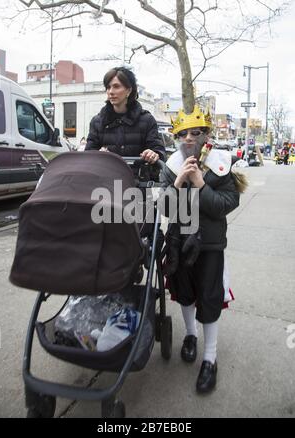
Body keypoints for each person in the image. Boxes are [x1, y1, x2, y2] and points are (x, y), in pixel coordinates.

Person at [160, 105, 247, 394]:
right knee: (184, 293)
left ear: (206, 134)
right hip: (179, 241)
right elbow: (164, 208)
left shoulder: (221, 164)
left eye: (195, 133)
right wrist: (177, 182)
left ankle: (210, 358)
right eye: (182, 134)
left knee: (209, 298)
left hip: (209, 245)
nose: (188, 139)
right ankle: (189, 336)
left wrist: (199, 184)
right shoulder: (171, 164)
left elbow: (226, 204)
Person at [85, 67, 165, 163]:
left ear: (129, 90)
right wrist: (98, 154)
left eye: (116, 86)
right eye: (108, 87)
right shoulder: (97, 121)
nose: (111, 91)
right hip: (106, 176)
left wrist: (153, 154)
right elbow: (88, 156)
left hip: (137, 176)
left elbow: (159, 152)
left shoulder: (147, 120)